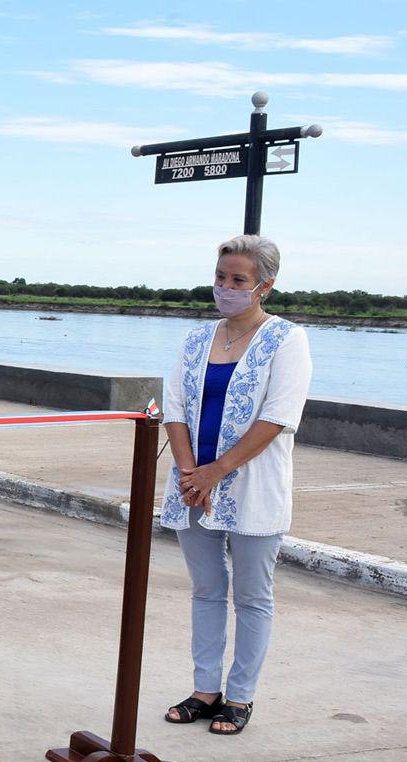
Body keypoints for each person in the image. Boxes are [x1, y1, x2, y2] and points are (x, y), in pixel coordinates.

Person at [160, 234, 312, 736]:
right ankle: (205, 689)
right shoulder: (196, 340)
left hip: (251, 488)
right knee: (206, 591)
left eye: (238, 280)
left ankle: (240, 696)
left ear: (264, 286)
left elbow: (278, 418)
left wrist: (216, 472)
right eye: (221, 277)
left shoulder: (286, 340)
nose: (226, 287)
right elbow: (176, 410)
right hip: (191, 487)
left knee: (252, 596)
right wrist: (189, 474)